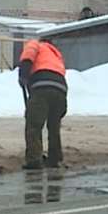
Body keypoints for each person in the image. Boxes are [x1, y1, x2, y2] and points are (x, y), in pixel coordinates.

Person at [18, 37, 68, 170]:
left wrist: (22, 75)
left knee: (34, 125)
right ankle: (55, 159)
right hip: (61, 90)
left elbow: (27, 57)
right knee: (54, 127)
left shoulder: (35, 44)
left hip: (42, 87)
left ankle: (34, 160)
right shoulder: (56, 54)